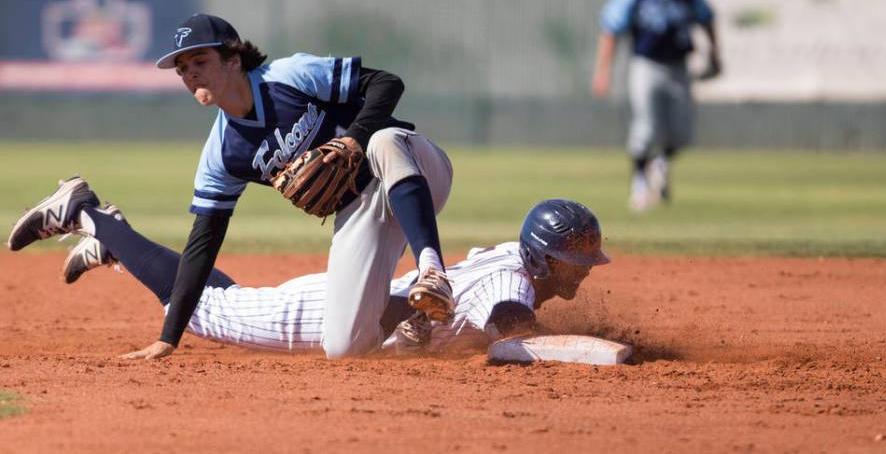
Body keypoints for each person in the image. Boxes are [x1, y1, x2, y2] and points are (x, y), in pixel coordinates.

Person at [8, 13, 455, 360]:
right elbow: (204, 245)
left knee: (385, 140)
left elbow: (387, 83)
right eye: (183, 69)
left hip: (413, 168)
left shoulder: (288, 76)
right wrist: (169, 339)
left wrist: (353, 139)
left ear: (233, 59)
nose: (191, 75)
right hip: (361, 210)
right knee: (345, 345)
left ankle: (433, 270)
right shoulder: (222, 153)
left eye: (200, 61)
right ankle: (413, 309)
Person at [16, 186, 609, 355]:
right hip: (333, 313)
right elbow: (516, 334)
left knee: (230, 300)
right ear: (544, 258)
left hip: (358, 303)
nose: (582, 272)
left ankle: (116, 246)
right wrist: (606, 349)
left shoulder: (514, 256)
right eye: (575, 261)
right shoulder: (512, 285)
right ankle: (87, 213)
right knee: (201, 312)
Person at [592, 0, 721, 211]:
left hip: (678, 66)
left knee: (681, 132)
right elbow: (610, 30)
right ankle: (639, 181)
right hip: (645, 65)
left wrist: (715, 54)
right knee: (646, 127)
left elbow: (707, 18)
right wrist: (603, 70)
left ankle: (659, 163)